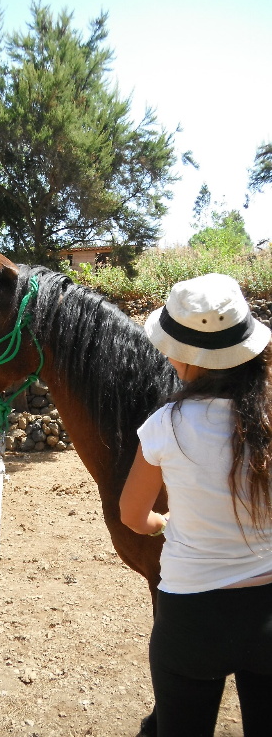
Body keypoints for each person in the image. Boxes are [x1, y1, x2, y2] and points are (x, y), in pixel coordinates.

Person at [119, 273, 272, 737]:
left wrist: (159, 523)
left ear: (185, 358)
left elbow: (132, 515)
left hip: (191, 619)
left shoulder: (166, 424)